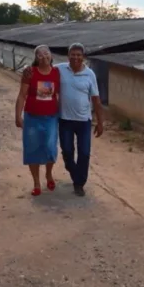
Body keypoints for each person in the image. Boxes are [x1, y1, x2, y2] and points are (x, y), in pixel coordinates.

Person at [23, 42, 104, 196]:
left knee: (84, 153)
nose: (75, 57)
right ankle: (72, 171)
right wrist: (27, 67)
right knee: (67, 151)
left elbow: (96, 100)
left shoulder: (90, 74)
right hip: (65, 120)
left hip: (84, 121)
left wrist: (100, 122)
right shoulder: (60, 69)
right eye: (72, 54)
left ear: (83, 57)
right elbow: (42, 65)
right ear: (68, 56)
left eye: (79, 55)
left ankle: (79, 183)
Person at [15, 45, 60, 196]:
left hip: (51, 117)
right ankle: (36, 182)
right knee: (32, 149)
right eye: (39, 55)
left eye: (46, 53)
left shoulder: (57, 73)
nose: (43, 56)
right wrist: (17, 115)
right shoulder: (30, 73)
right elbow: (22, 95)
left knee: (50, 148)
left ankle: (49, 174)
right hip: (32, 118)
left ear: (51, 55)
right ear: (35, 58)